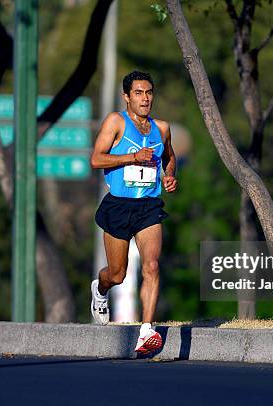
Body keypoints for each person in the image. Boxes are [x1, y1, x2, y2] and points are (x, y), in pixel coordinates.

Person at [90, 71, 177, 354]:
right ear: (127, 97)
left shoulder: (161, 128)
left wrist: (169, 175)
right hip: (118, 205)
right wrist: (132, 157)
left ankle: (147, 330)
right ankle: (100, 290)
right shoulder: (116, 122)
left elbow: (169, 157)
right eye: (138, 93)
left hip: (149, 206)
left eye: (149, 92)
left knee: (151, 266)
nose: (145, 98)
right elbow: (96, 159)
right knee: (117, 275)